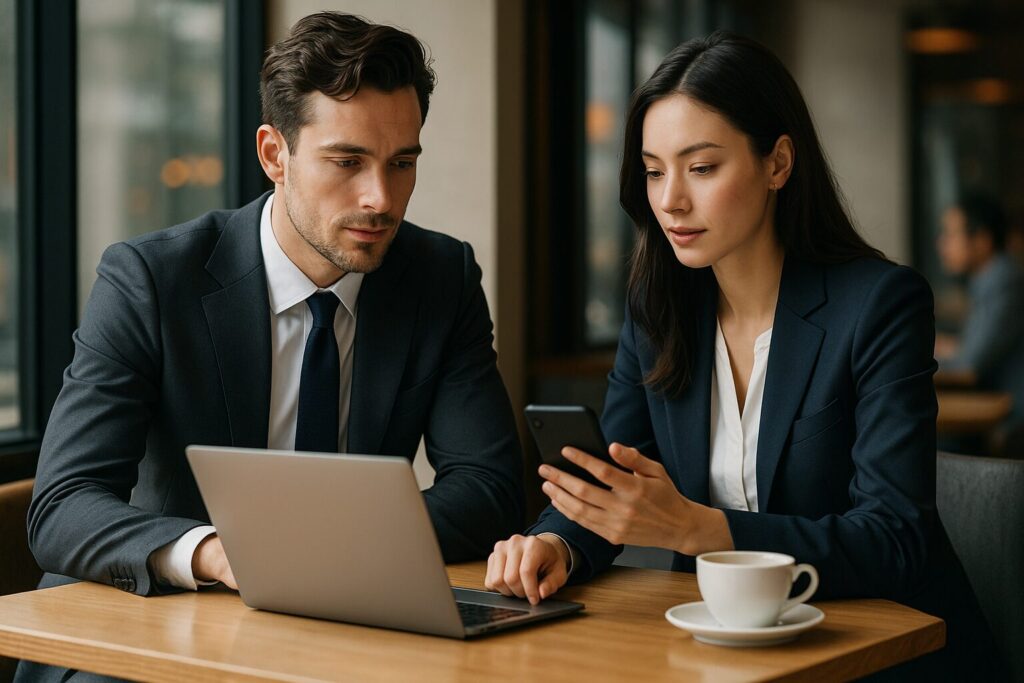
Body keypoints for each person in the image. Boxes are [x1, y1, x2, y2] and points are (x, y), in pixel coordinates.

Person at [19, 12, 523, 681]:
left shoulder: (439, 278)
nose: (381, 198)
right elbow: (64, 504)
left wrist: (309, 554)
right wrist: (218, 553)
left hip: (344, 633)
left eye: (402, 163)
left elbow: (489, 490)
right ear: (273, 155)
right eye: (347, 161)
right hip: (158, 629)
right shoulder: (150, 280)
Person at [486, 32, 997, 679]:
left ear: (777, 163)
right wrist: (556, 543)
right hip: (723, 651)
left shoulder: (879, 304)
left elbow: (893, 539)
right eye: (653, 170)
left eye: (701, 168)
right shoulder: (659, 309)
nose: (670, 199)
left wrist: (699, 529)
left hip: (886, 654)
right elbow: (614, 481)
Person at [935, 193, 1024, 440]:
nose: (941, 243)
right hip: (993, 410)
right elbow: (972, 348)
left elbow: (968, 367)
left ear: (982, 241)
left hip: (1008, 423)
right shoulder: (992, 280)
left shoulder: (1003, 282)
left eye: (951, 234)